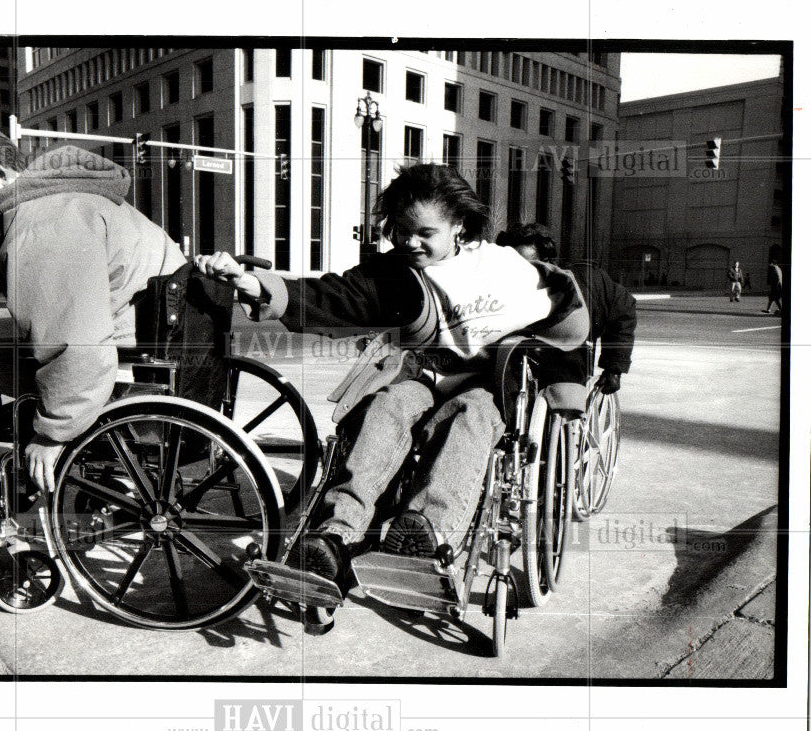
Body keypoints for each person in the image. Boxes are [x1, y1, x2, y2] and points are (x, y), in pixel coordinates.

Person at [193, 164, 588, 587]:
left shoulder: (503, 268)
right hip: (421, 376)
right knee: (385, 406)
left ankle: (425, 533)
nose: (409, 242)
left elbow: (565, 317)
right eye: (400, 229)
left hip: (486, 384)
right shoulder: (395, 273)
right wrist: (256, 285)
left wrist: (565, 387)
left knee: (468, 416)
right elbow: (333, 297)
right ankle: (335, 536)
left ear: (458, 226)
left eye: (425, 232)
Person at [0, 122, 186, 495]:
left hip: (118, 367)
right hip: (156, 353)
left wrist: (52, 434)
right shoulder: (79, 195)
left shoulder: (42, 221)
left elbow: (76, 342)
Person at [495, 223, 636, 394]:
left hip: (574, 346)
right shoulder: (502, 288)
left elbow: (622, 311)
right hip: (530, 354)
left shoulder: (587, 282)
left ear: (547, 263)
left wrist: (614, 368)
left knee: (567, 394)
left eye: (527, 266)